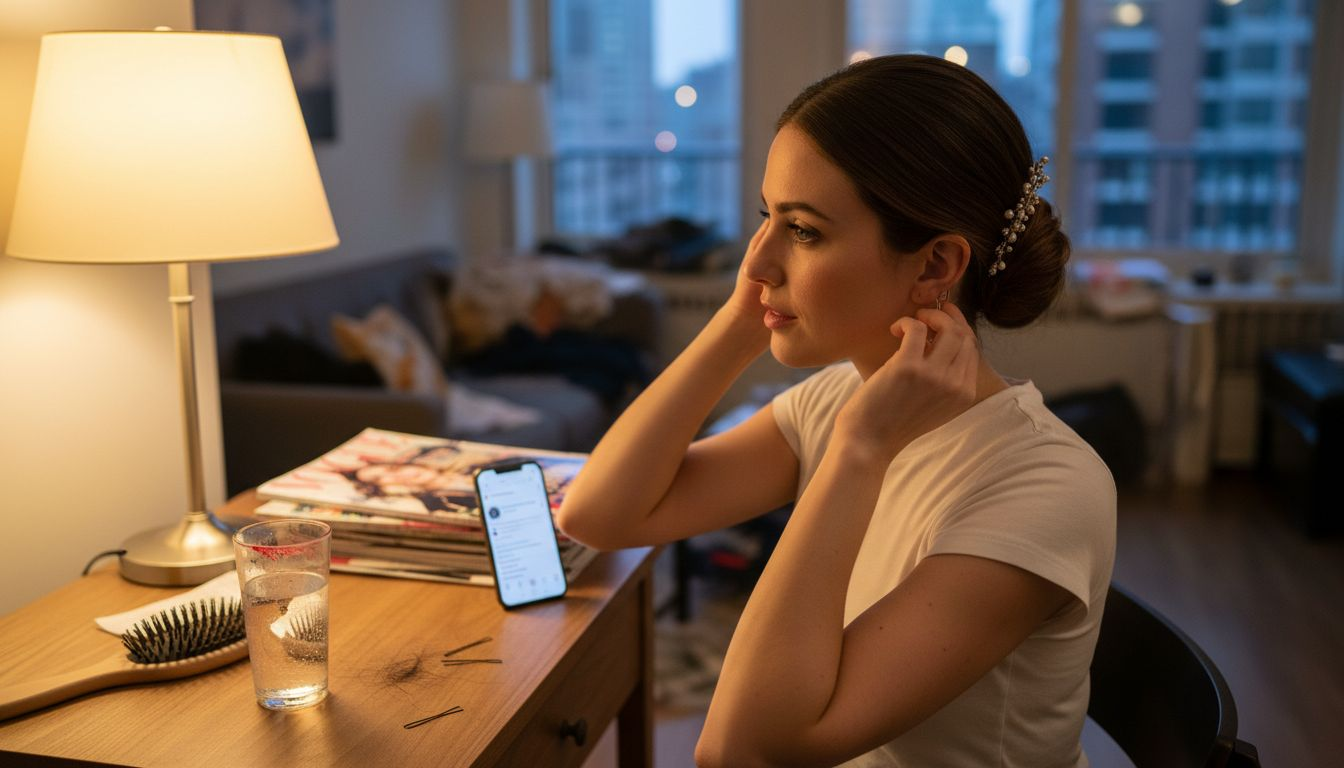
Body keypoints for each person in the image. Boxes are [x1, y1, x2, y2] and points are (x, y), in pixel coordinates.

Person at [557, 54, 1116, 768]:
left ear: (937, 266)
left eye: (805, 230)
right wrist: (739, 322)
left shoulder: (1044, 487)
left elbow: (740, 750)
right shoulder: (839, 399)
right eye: (767, 216)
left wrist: (860, 451)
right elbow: (598, 516)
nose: (756, 260)